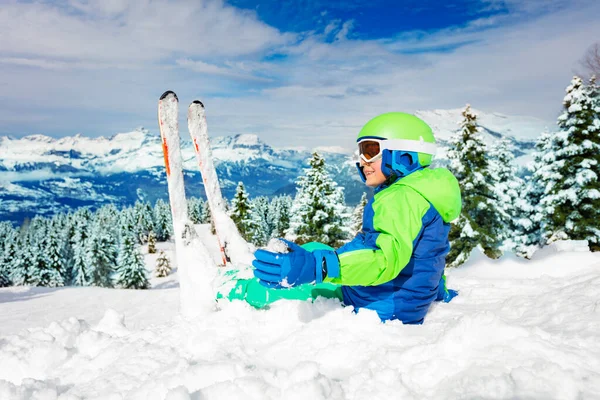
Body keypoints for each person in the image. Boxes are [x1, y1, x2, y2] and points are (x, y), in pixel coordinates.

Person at [229, 112, 461, 324]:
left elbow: (384, 260)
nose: (362, 160)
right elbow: (428, 252)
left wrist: (318, 268)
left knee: (292, 285)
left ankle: (234, 289)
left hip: (382, 304)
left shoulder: (400, 198)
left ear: (404, 156)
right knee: (314, 248)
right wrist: (434, 290)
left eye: (371, 150)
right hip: (403, 298)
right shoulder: (423, 191)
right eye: (360, 151)